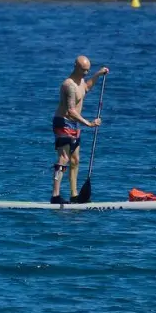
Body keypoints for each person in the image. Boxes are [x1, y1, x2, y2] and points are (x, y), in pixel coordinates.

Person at [51, 56, 109, 204]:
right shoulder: (69, 85)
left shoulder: (81, 82)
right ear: (76, 66)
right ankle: (55, 196)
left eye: (88, 70)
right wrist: (88, 123)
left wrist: (97, 74)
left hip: (75, 125)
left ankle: (74, 195)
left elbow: (86, 88)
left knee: (75, 160)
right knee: (64, 158)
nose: (86, 73)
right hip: (63, 123)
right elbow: (70, 111)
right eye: (83, 70)